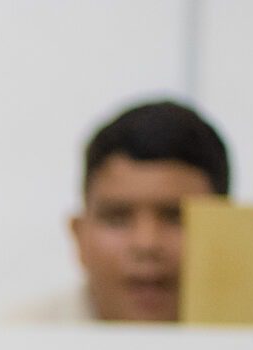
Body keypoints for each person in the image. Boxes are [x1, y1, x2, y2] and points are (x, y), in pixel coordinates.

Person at [15, 99, 233, 324]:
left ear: (229, 235)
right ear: (79, 235)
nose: (146, 244)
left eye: (176, 218)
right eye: (117, 219)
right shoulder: (14, 343)